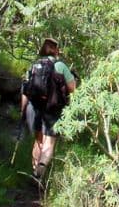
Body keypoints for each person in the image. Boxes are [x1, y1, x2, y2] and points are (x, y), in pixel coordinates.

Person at [20, 37, 77, 177]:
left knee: (38, 140)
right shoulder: (60, 66)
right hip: (52, 109)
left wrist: (23, 110)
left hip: (33, 107)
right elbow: (72, 88)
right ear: (55, 50)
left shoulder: (34, 65)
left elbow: (25, 90)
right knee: (49, 143)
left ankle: (34, 170)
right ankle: (39, 174)